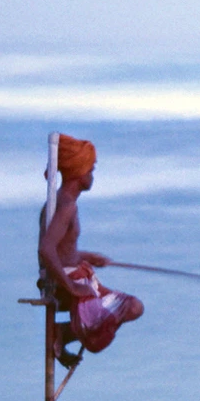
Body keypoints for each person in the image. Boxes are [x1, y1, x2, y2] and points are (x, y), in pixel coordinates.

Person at [38, 136, 142, 362]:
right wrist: (72, 287)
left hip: (74, 274)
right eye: (90, 170)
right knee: (130, 307)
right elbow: (46, 250)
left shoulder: (63, 203)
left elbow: (60, 250)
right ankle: (66, 332)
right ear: (79, 172)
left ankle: (64, 333)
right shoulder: (66, 206)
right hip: (65, 283)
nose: (92, 176)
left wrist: (86, 256)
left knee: (133, 307)